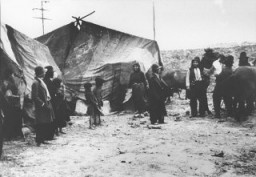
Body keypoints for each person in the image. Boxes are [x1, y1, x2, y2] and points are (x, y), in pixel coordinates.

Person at [31, 66, 55, 146]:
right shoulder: (36, 83)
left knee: (44, 122)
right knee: (40, 123)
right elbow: (34, 97)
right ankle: (39, 141)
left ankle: (42, 139)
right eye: (44, 72)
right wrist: (43, 104)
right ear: (41, 73)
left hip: (45, 104)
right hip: (41, 106)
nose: (45, 73)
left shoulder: (40, 81)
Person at [44, 66, 56, 138]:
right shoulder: (46, 82)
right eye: (51, 72)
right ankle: (49, 135)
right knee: (49, 118)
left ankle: (50, 134)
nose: (52, 73)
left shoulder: (49, 81)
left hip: (51, 101)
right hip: (48, 102)